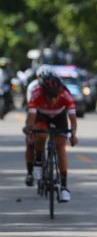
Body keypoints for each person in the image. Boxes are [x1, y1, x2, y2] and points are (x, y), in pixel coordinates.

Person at [24, 72, 78, 202]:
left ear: (60, 92)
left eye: (56, 95)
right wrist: (31, 132)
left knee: (60, 146)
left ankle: (64, 187)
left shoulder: (66, 95)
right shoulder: (36, 94)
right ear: (43, 92)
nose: (53, 99)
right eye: (49, 96)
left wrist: (73, 135)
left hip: (60, 117)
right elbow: (31, 118)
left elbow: (72, 119)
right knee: (41, 134)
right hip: (42, 116)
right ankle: (38, 160)